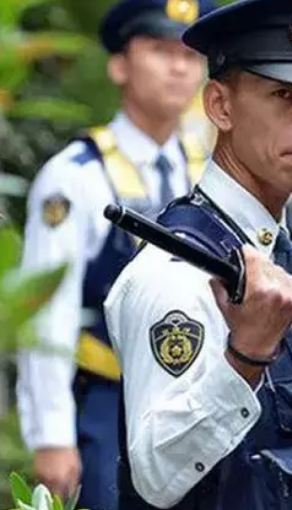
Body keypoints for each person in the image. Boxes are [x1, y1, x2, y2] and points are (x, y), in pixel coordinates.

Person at [103, 1, 292, 509]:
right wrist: (245, 356)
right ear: (220, 106)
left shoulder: (274, 251)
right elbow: (156, 474)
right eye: (282, 95)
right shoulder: (178, 273)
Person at [15, 0, 213, 507]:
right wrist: (51, 434)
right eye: (159, 50)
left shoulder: (212, 174)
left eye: (190, 54)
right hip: (109, 404)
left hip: (200, 402)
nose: (178, 66)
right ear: (119, 65)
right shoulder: (76, 175)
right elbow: (47, 313)